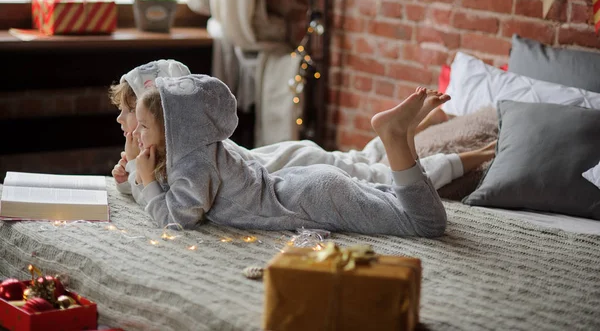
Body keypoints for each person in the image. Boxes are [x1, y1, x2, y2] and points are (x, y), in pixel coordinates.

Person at [108, 60, 496, 202]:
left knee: (376, 176)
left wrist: (134, 175)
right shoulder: (167, 152)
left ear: (166, 123)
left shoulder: (184, 158)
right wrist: (128, 176)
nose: (123, 123)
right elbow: (145, 188)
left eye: (130, 115)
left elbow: (168, 203)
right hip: (283, 158)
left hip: (295, 166)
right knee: (360, 160)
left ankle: (480, 153)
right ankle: (406, 129)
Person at [133, 74, 448, 237]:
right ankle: (403, 136)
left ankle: (395, 137)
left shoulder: (193, 164)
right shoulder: (209, 144)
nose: (137, 134)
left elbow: (178, 219)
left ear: (177, 130)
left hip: (310, 199)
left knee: (424, 224)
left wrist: (147, 181)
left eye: (144, 126)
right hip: (305, 185)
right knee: (399, 202)